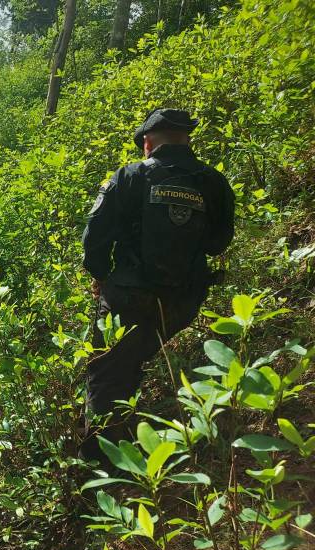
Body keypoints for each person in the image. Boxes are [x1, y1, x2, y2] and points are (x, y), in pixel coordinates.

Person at [80, 108, 235, 463]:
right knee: (134, 356)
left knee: (107, 372)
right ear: (187, 140)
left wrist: (101, 276)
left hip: (128, 297)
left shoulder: (129, 176)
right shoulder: (213, 182)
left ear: (147, 143)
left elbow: (94, 240)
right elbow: (218, 243)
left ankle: (99, 467)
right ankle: (128, 430)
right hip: (183, 302)